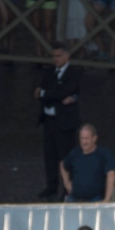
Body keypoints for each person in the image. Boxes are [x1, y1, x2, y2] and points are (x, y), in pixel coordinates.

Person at [35, 47, 82, 198]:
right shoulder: (49, 72)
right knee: (49, 155)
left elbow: (62, 92)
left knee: (65, 157)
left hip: (65, 123)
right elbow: (41, 93)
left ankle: (67, 188)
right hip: (49, 121)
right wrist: (54, 95)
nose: (55, 59)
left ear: (67, 55)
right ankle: (52, 186)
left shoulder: (74, 73)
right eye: (53, 56)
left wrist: (45, 93)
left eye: (59, 56)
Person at [60, 126, 115, 204]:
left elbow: (111, 174)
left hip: (95, 201)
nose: (84, 142)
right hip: (74, 200)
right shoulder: (75, 153)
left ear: (94, 138)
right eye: (82, 138)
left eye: (87, 138)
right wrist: (67, 183)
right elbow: (63, 165)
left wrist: (107, 199)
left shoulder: (103, 154)